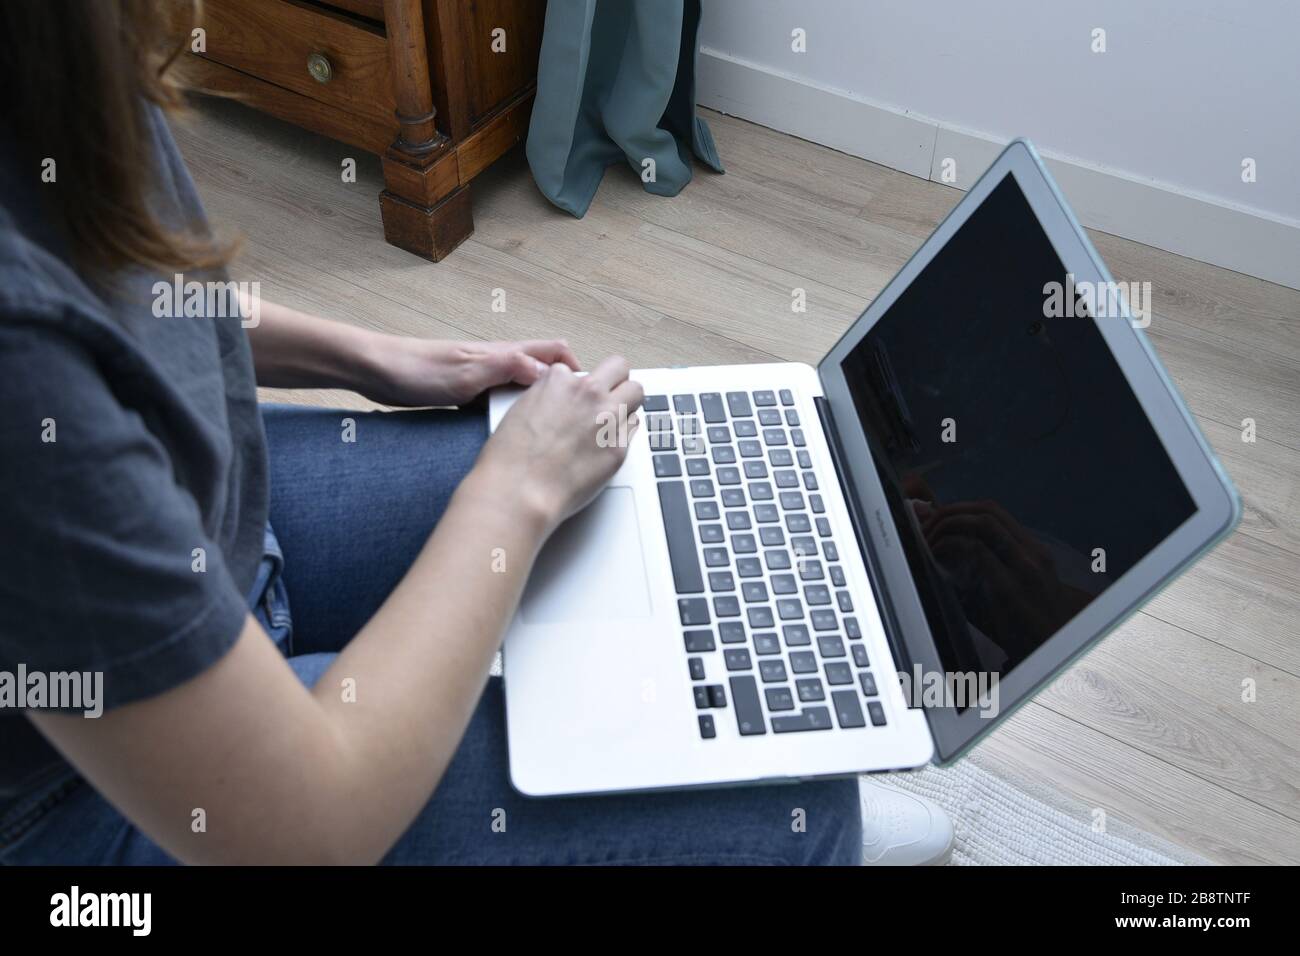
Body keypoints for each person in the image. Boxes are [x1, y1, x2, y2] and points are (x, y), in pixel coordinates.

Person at [0, 1, 952, 865]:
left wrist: (376, 358)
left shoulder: (57, 57)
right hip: (86, 802)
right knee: (803, 812)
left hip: (212, 523)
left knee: (626, 478)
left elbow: (141, 289)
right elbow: (305, 832)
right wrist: (514, 489)